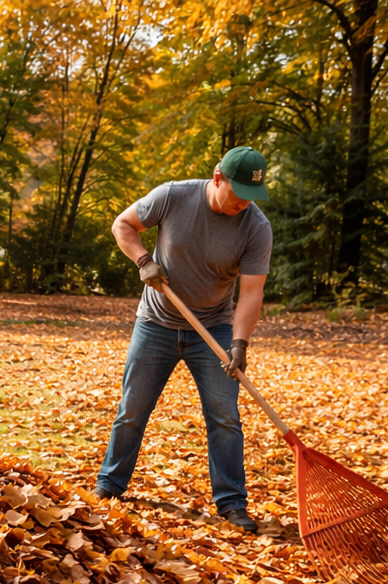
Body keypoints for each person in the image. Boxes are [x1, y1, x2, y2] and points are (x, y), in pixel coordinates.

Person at [94, 146, 273, 533]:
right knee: (132, 408)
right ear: (217, 177)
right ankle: (110, 484)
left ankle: (231, 502)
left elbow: (252, 293)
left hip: (214, 328)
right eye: (238, 192)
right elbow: (122, 225)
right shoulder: (174, 195)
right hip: (155, 324)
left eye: (252, 196)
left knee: (225, 416)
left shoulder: (255, 227)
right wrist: (144, 261)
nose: (244, 203)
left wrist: (240, 344)